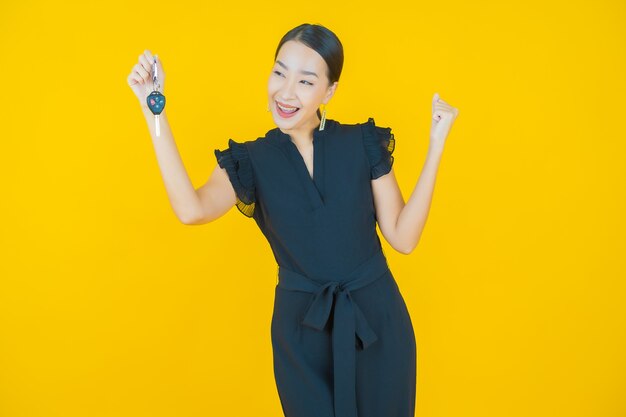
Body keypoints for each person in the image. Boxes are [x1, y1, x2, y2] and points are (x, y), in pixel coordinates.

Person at [127, 23, 459, 417]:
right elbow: (191, 209)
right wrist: (154, 111)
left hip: (377, 324)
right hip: (302, 333)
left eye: (305, 81)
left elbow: (403, 238)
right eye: (279, 72)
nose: (285, 93)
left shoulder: (362, 143)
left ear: (329, 91)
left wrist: (436, 144)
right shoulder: (250, 161)